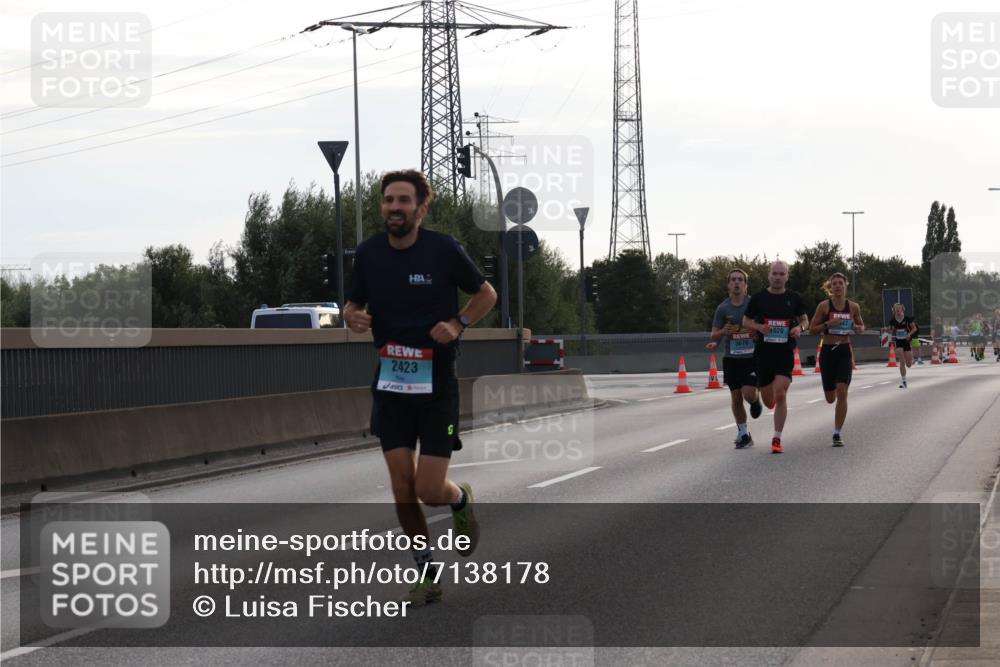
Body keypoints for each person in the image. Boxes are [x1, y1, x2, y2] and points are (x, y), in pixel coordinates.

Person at [344, 169, 498, 606]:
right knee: (401, 487)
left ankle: (459, 499)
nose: (395, 207)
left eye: (404, 201)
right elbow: (353, 305)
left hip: (436, 388)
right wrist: (350, 316)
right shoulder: (370, 254)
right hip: (391, 385)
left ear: (421, 208)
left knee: (429, 490)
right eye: (388, 200)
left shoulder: (444, 250)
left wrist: (458, 322)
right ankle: (427, 573)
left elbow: (486, 294)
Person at [742, 261, 808, 454]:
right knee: (769, 399)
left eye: (782, 274)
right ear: (769, 275)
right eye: (775, 273)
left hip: (785, 352)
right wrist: (759, 327)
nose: (778, 277)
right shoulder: (759, 298)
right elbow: (745, 320)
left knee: (781, 394)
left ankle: (777, 438)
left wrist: (799, 328)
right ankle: (763, 401)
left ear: (787, 276)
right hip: (764, 353)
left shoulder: (794, 298)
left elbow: (805, 319)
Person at [706, 268, 764, 449]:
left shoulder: (754, 304)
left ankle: (755, 400)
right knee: (736, 397)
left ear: (746, 286)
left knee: (747, 393)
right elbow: (713, 334)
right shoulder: (723, 308)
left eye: (740, 280)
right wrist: (722, 332)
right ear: (728, 285)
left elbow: (765, 325)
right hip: (731, 358)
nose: (737, 283)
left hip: (752, 356)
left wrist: (756, 330)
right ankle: (743, 433)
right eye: (733, 280)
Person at [808, 273, 865, 446]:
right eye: (834, 283)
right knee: (830, 398)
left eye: (841, 283)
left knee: (842, 391)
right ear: (830, 287)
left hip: (844, 350)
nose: (838, 286)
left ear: (846, 285)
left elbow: (861, 326)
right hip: (827, 352)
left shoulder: (853, 307)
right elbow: (812, 330)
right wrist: (828, 324)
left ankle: (837, 433)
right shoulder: (824, 307)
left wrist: (857, 328)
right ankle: (836, 428)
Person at [885, 303, 918, 387]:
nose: (898, 311)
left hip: (906, 341)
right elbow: (892, 330)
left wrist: (909, 334)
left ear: (902, 310)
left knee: (909, 364)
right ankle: (904, 381)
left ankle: (911, 358)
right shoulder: (892, 320)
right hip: (898, 341)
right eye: (896, 310)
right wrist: (887, 330)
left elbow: (914, 328)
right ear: (894, 311)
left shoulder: (907, 319)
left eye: (899, 309)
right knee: (902, 361)